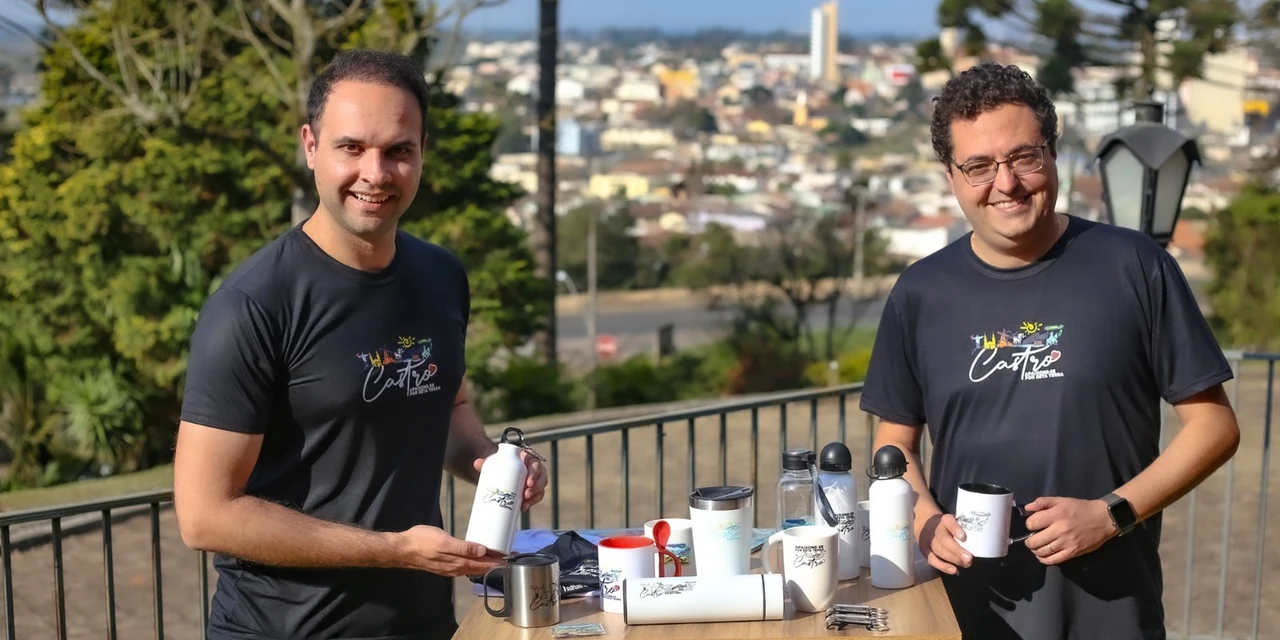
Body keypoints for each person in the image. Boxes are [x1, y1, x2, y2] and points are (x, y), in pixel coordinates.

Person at [172, 49, 548, 640]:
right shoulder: (253, 305)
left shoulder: (441, 277)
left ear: (422, 153)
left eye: (399, 150)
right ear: (311, 146)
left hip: (424, 626)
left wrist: (493, 463)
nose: (376, 173)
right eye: (351, 147)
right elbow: (205, 515)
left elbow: (449, 403)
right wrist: (396, 550)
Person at [860, 62, 1240, 639]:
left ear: (1054, 154)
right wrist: (925, 522)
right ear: (951, 176)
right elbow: (894, 447)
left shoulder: (1134, 265)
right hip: (969, 613)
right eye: (979, 166)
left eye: (1024, 157)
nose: (1006, 183)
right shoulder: (919, 293)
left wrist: (1111, 514)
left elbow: (1214, 426)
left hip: (1114, 611)